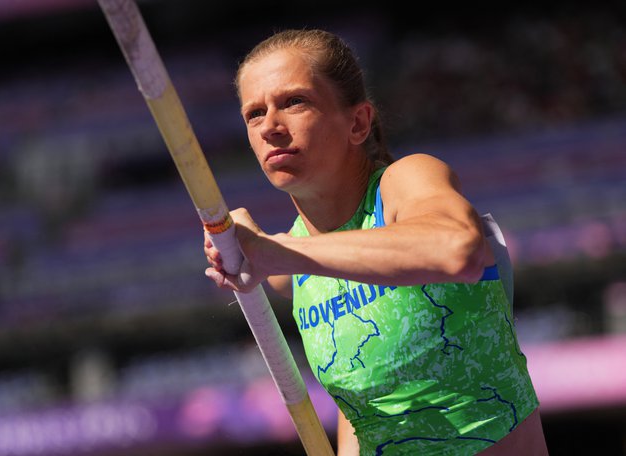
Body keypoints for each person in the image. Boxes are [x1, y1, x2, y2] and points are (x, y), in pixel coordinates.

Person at [203, 28, 548, 455]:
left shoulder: (404, 183)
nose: (270, 126)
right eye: (254, 114)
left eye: (294, 102)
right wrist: (250, 253)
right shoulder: (287, 271)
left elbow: (458, 249)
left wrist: (277, 253)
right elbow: (360, 411)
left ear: (358, 122)